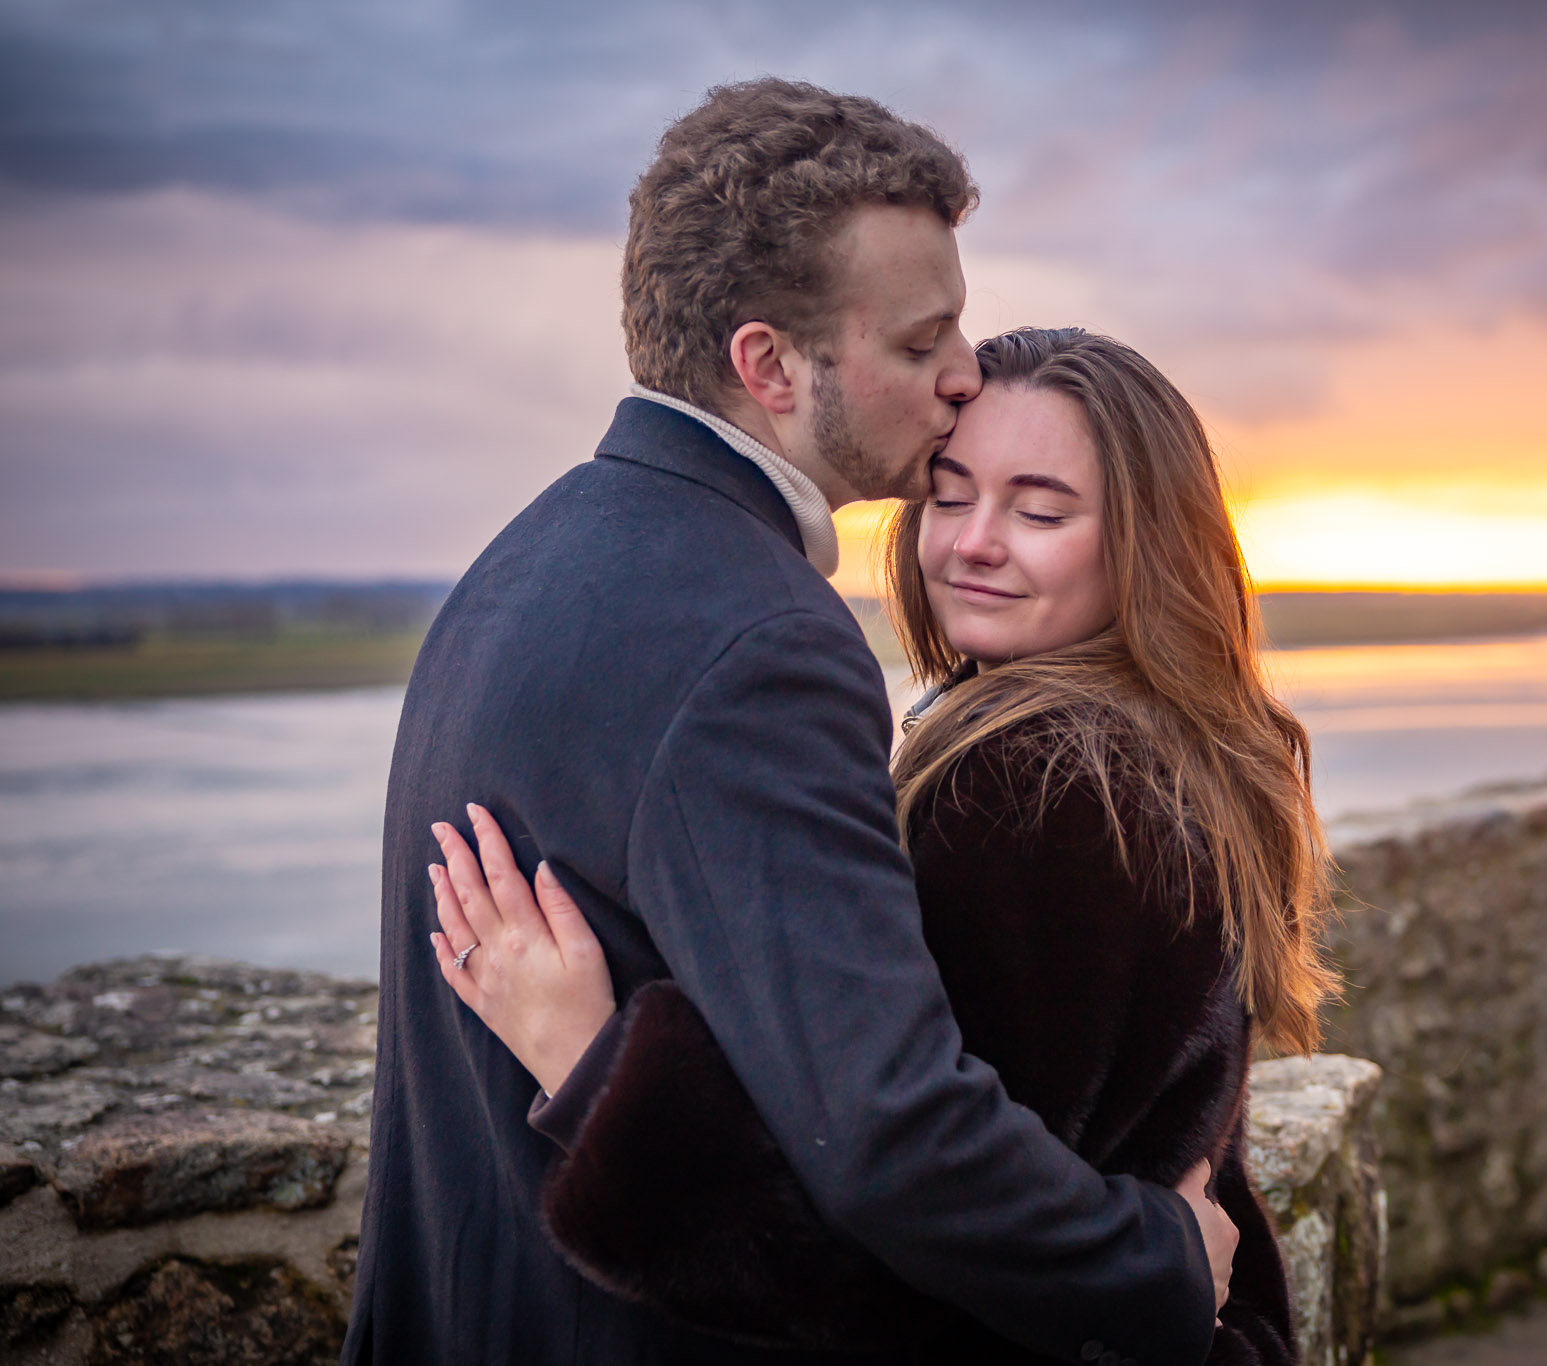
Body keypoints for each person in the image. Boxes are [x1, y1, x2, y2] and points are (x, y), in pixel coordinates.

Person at [343, 81, 1234, 1366]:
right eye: (921, 342)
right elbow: (888, 1142)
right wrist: (1154, 1263)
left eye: (1040, 508)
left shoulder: (523, 561)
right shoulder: (761, 639)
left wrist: (593, 1051)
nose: (962, 373)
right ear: (768, 366)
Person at [427, 327, 1340, 1364]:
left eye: (1040, 511)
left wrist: (594, 1066)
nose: (973, 542)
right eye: (949, 497)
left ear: (1150, 545)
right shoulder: (1165, 750)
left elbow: (899, 1256)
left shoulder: (1043, 793)